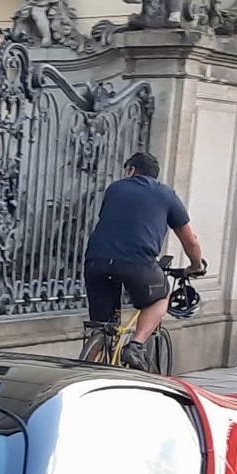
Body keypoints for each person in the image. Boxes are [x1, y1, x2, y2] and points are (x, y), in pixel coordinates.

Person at [84, 151, 205, 369]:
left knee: (102, 325)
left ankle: (87, 366)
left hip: (96, 261)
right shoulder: (167, 195)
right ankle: (136, 346)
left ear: (131, 170)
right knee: (160, 297)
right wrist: (195, 266)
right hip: (137, 263)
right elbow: (191, 241)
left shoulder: (115, 188)